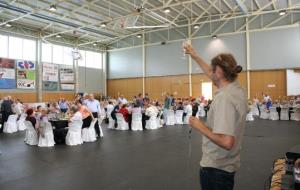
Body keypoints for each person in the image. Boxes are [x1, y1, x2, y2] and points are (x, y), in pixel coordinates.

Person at [184, 43, 247, 190]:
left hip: (216, 169)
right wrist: (195, 56)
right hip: (227, 165)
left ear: (218, 73)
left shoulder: (224, 98)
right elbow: (213, 75)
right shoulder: (236, 89)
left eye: (213, 70)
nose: (210, 72)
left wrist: (200, 126)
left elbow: (227, 142)